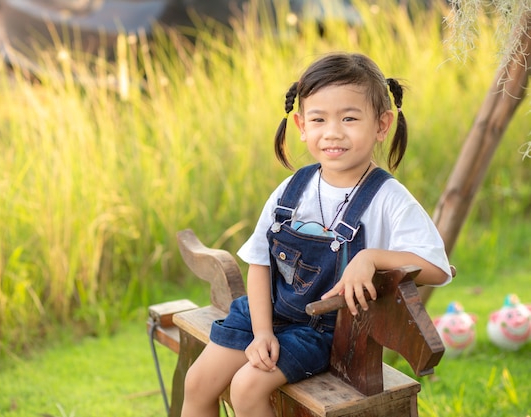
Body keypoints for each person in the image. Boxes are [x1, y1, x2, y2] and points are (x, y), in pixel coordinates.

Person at [180, 51, 452, 417]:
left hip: (322, 331)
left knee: (246, 387)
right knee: (197, 381)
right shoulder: (293, 188)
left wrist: (369, 257)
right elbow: (260, 263)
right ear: (301, 125)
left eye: (350, 118)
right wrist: (262, 333)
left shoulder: (388, 199)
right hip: (264, 312)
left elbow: (436, 267)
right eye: (319, 119)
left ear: (382, 125)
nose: (333, 132)